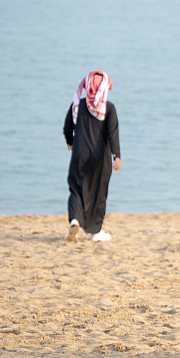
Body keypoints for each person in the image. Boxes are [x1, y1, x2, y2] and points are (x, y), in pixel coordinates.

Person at [63, 71, 121, 242]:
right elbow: (113, 133)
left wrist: (70, 140)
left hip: (79, 153)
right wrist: (117, 156)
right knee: (98, 191)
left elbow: (67, 126)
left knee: (76, 188)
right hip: (100, 157)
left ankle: (75, 220)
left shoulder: (77, 105)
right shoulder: (108, 108)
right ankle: (95, 232)